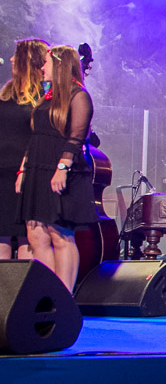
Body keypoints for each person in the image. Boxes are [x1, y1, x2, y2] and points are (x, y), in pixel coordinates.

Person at [15, 45, 97, 290]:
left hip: (62, 168)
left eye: (47, 63)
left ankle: (63, 296)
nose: (42, 67)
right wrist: (23, 170)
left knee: (59, 233)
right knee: (36, 234)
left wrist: (63, 166)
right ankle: (48, 293)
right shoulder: (47, 97)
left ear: (60, 65)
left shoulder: (78, 96)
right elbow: (35, 137)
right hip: (37, 168)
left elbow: (77, 136)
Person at [1, 39, 48, 260]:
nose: (11, 59)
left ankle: (25, 281)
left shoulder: (42, 97)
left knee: (25, 236)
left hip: (24, 173)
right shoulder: (6, 93)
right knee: (2, 233)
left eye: (16, 55)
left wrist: (26, 169)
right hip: (2, 172)